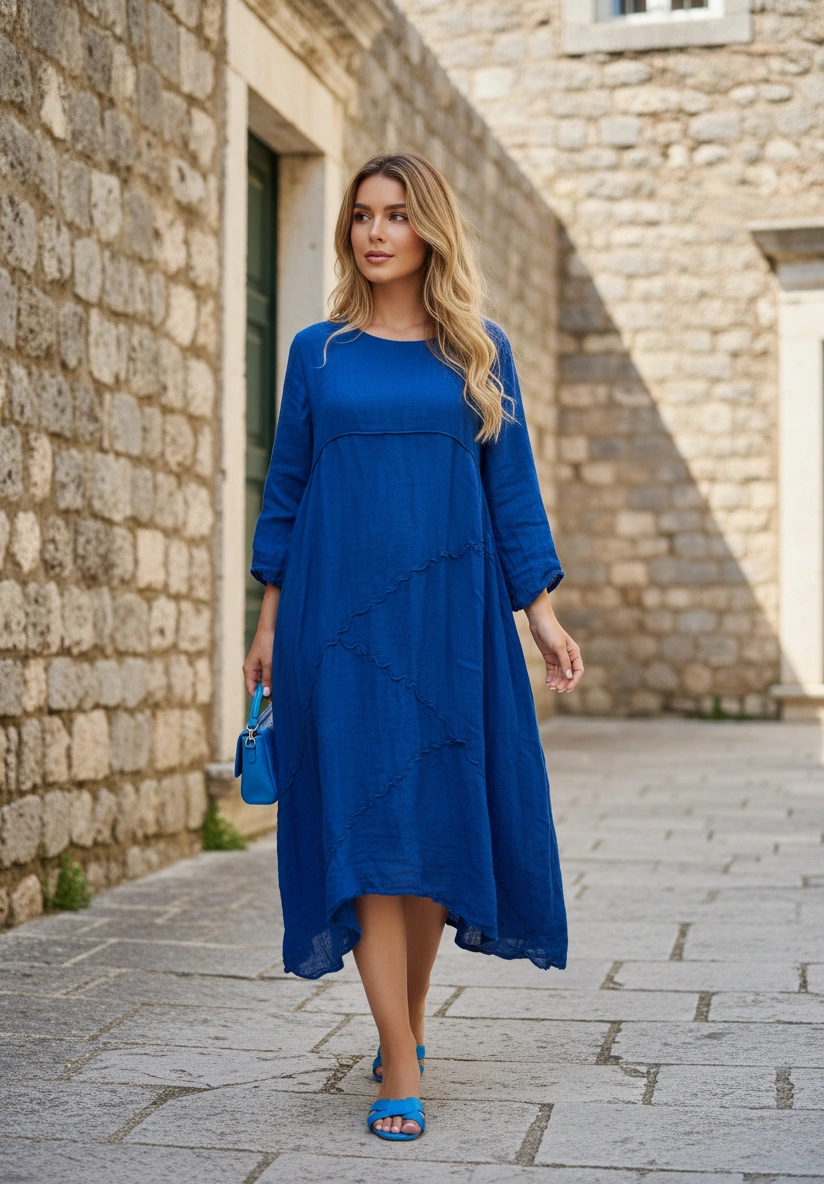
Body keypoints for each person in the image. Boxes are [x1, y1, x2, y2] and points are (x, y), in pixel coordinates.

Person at [243, 152, 584, 1143]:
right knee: (361, 832)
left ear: (429, 229)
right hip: (334, 623)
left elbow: (510, 492)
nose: (375, 232)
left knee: (431, 831)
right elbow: (286, 489)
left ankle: (410, 1021)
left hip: (449, 623)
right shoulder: (317, 352)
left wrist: (542, 615)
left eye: (395, 215)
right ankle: (398, 1057)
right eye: (362, 215)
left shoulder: (479, 350)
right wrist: (268, 622)